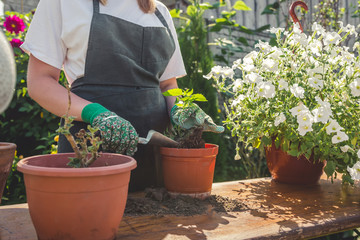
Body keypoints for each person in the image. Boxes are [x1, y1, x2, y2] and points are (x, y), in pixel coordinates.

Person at [22, 0, 224, 191]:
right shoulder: (64, 3)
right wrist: (95, 113)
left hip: (154, 155)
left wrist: (179, 109)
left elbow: (168, 84)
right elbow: (40, 82)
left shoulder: (160, 12)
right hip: (91, 152)